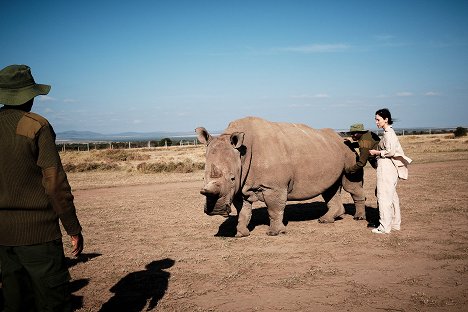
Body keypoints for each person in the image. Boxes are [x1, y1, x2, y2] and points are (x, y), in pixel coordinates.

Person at [0, 64, 84, 311]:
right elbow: (55, 184)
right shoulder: (37, 126)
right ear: (30, 96)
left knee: (15, 302)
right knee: (53, 302)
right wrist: (73, 227)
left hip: (3, 237)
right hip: (40, 235)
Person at [369, 108, 412, 234]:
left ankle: (384, 227)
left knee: (383, 196)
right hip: (389, 167)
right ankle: (394, 224)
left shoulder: (389, 133)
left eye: (378, 119)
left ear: (386, 119)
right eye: (375, 120)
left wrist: (376, 152)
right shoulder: (388, 133)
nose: (376, 122)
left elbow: (391, 152)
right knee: (392, 196)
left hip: (386, 167)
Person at [344, 123, 380, 227]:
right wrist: (351, 144)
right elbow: (366, 145)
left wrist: (349, 170)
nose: (352, 136)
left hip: (383, 167)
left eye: (354, 134)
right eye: (351, 134)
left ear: (360, 133)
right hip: (383, 166)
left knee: (381, 193)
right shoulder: (367, 136)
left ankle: (381, 219)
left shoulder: (364, 141)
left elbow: (361, 163)